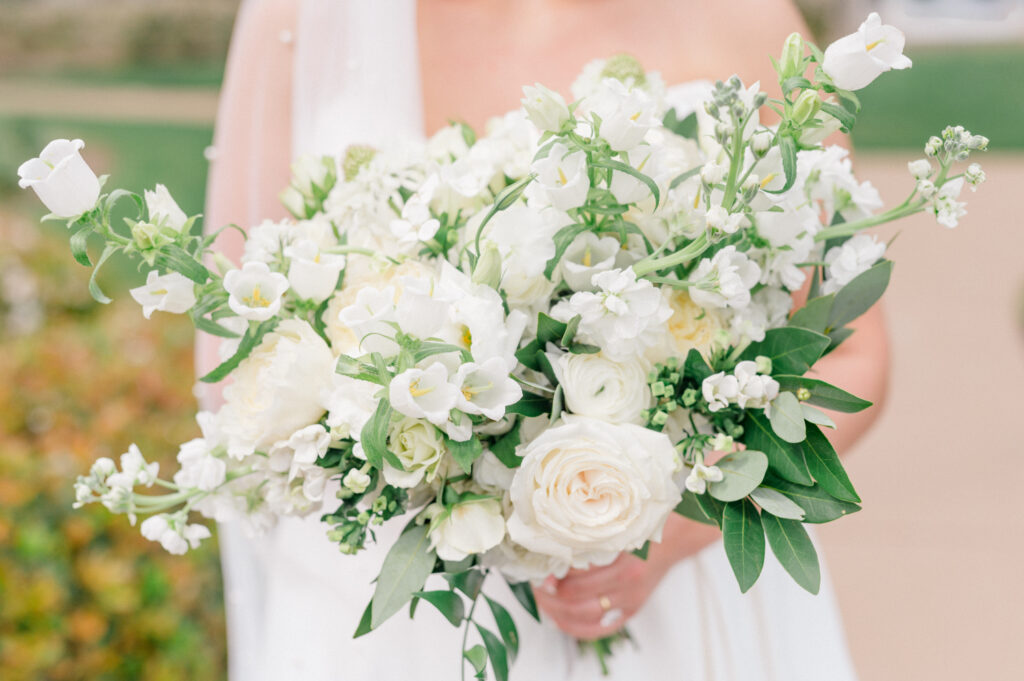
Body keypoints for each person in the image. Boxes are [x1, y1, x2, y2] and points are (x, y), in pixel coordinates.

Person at [198, 1, 889, 679]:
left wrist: (670, 528)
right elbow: (243, 341)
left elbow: (853, 353)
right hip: (389, 614)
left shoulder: (746, 19)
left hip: (668, 601)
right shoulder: (301, 17)